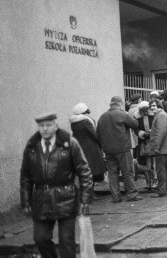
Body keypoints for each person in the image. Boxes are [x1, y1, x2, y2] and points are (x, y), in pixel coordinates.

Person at [21, 113, 93, 258]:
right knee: (40, 238)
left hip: (66, 198)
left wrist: (86, 199)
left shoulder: (70, 143)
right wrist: (25, 200)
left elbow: (84, 172)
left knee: (66, 242)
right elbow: (25, 176)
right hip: (41, 199)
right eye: (41, 126)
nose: (45, 129)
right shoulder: (32, 146)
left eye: (48, 125)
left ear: (56, 126)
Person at [97, 96, 142, 203]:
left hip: (108, 150)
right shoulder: (122, 115)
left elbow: (97, 134)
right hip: (123, 148)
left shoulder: (102, 117)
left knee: (112, 174)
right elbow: (135, 124)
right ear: (120, 104)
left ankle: (116, 196)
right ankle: (131, 194)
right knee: (127, 172)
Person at [69, 103, 106, 199]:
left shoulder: (74, 122)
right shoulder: (85, 121)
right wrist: (101, 144)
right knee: (92, 172)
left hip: (80, 148)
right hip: (91, 149)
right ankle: (90, 194)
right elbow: (94, 134)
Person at [147, 99, 167, 197]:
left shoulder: (161, 115)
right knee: (165, 169)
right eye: (151, 106)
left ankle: (162, 191)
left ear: (159, 105)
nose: (152, 107)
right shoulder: (161, 115)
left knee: (161, 170)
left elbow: (161, 132)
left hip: (162, 148)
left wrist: (156, 147)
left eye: (154, 105)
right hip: (164, 148)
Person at [134, 101, 156, 191]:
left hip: (152, 142)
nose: (145, 111)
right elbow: (136, 129)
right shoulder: (136, 118)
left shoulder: (153, 116)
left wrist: (152, 133)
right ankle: (148, 182)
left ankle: (154, 181)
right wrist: (143, 134)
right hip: (143, 143)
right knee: (145, 164)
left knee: (153, 163)